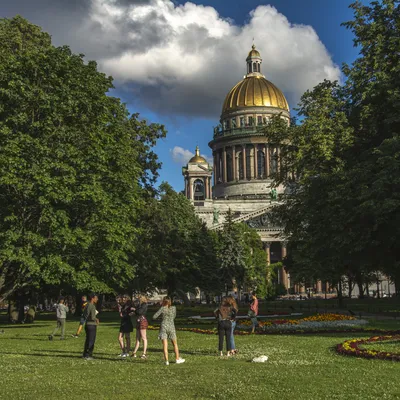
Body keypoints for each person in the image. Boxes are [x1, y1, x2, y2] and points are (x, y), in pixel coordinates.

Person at [153, 296, 185, 366]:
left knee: (165, 345)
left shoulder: (162, 308)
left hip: (163, 326)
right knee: (175, 344)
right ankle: (177, 359)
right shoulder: (174, 308)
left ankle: (166, 361)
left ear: (163, 301)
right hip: (171, 327)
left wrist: (161, 318)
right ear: (170, 301)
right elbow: (174, 316)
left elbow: (154, 316)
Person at [131, 295, 149, 359]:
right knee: (137, 337)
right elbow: (138, 312)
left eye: (139, 298)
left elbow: (140, 312)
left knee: (144, 338)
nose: (138, 300)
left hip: (142, 321)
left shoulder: (144, 304)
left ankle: (144, 353)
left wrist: (134, 309)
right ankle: (134, 352)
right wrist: (134, 313)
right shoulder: (140, 305)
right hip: (139, 321)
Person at [82, 293, 99, 360]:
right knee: (91, 340)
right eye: (96, 298)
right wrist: (96, 319)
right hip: (91, 325)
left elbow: (84, 314)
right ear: (92, 298)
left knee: (88, 340)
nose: (97, 299)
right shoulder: (92, 306)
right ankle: (88, 355)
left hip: (87, 324)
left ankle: (85, 354)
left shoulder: (87, 305)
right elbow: (92, 317)